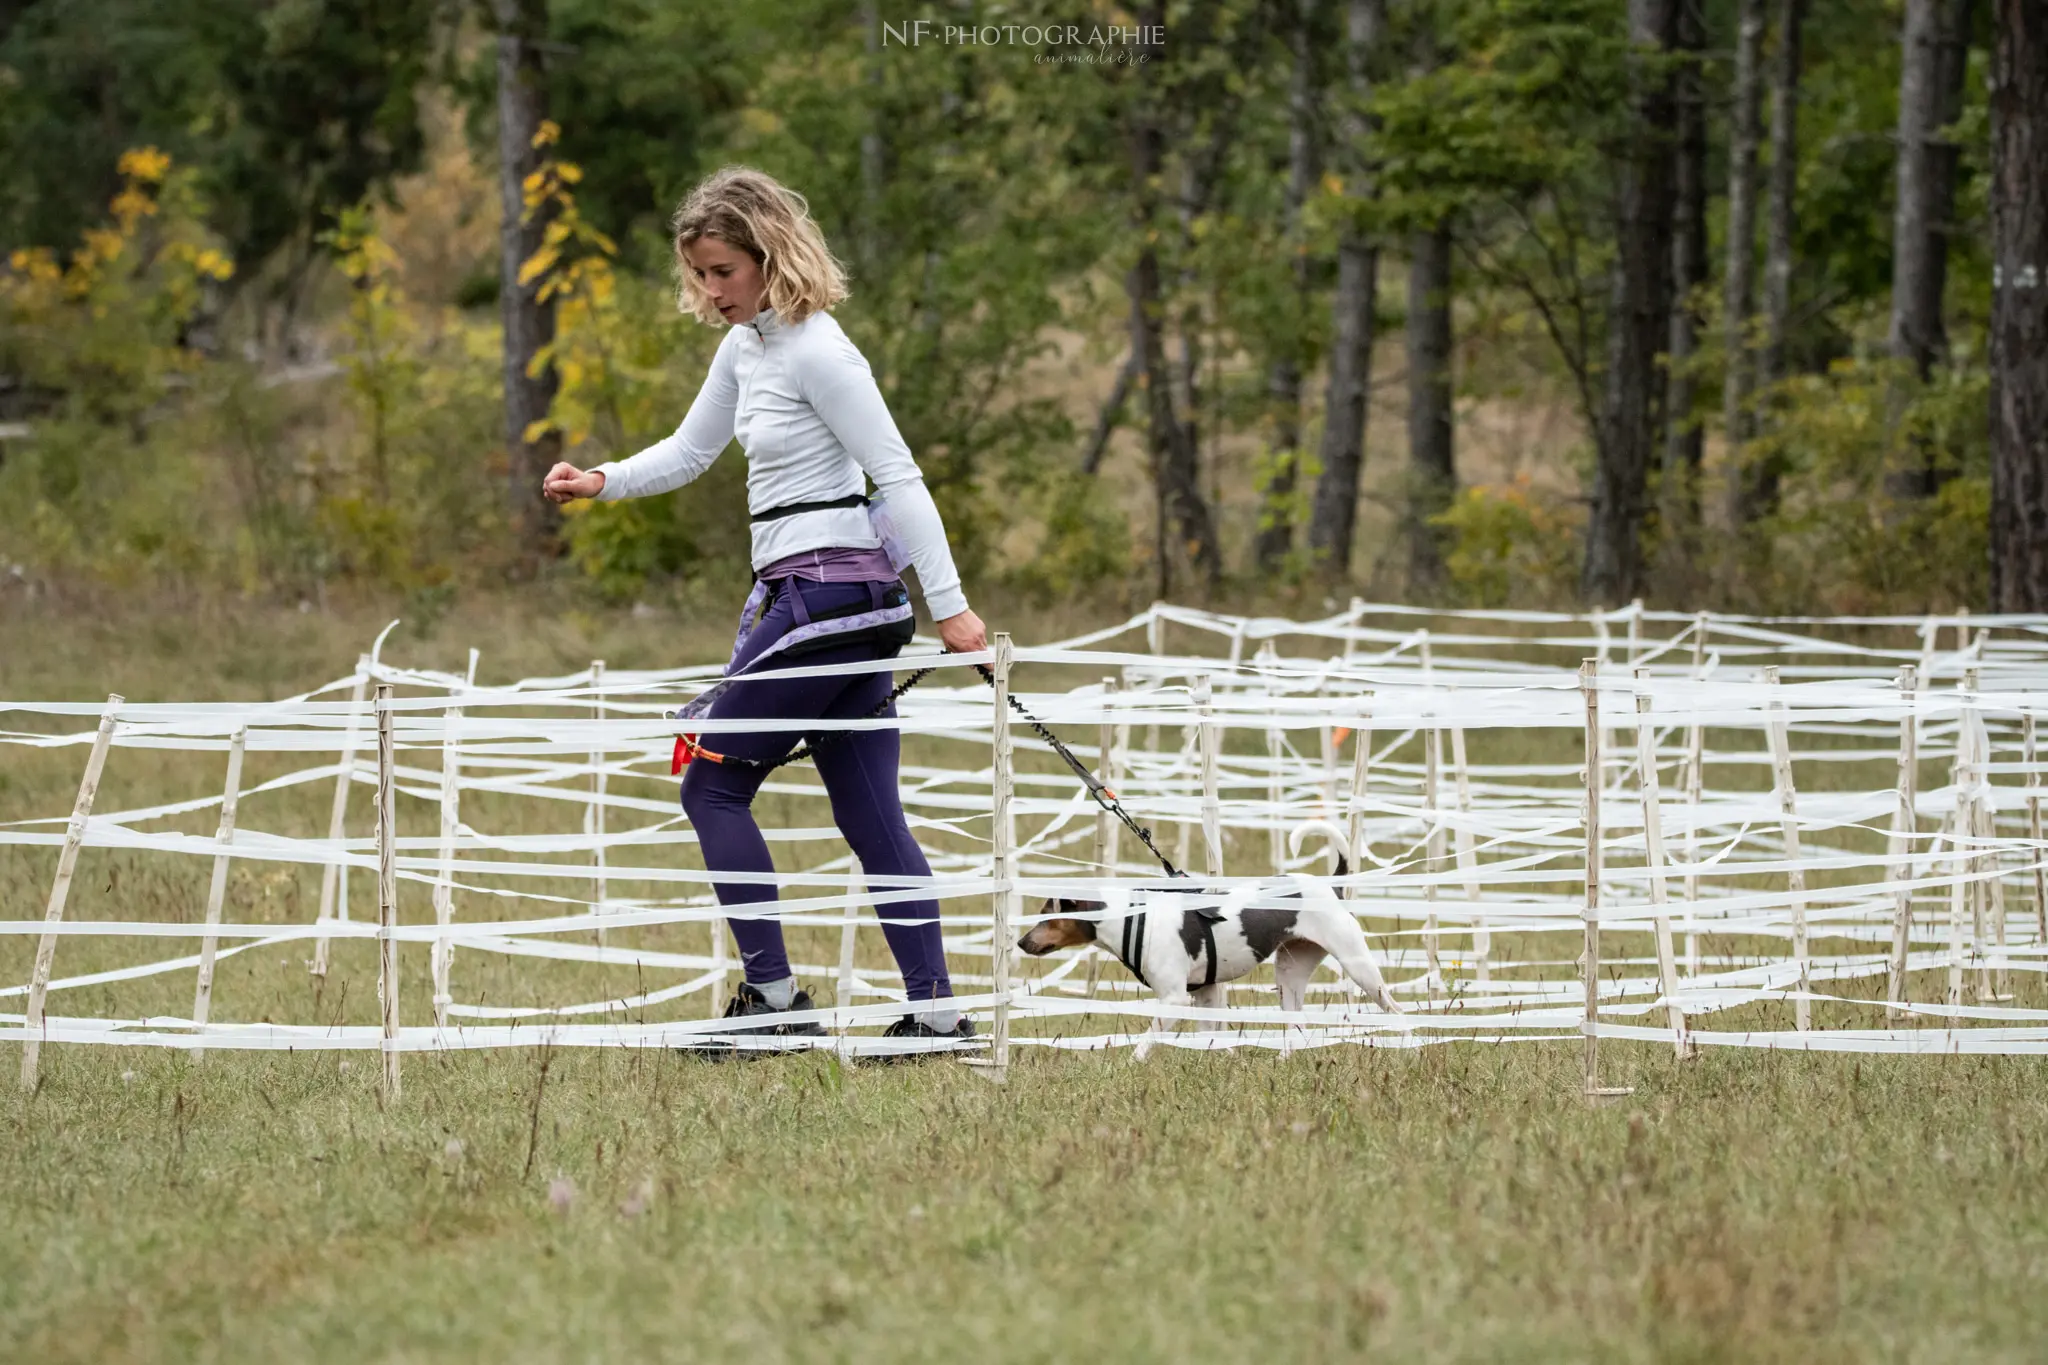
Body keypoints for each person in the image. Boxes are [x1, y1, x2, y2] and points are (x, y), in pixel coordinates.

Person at [542, 165, 985, 1055]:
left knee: (710, 781)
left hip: (831, 598)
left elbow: (898, 476)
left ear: (767, 255)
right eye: (701, 273)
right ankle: (936, 1016)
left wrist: (953, 609)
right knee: (870, 819)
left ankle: (777, 1004)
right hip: (822, 600)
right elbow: (690, 450)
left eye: (723, 272)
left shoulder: (822, 349)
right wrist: (601, 481)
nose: (710, 291)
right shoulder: (746, 348)